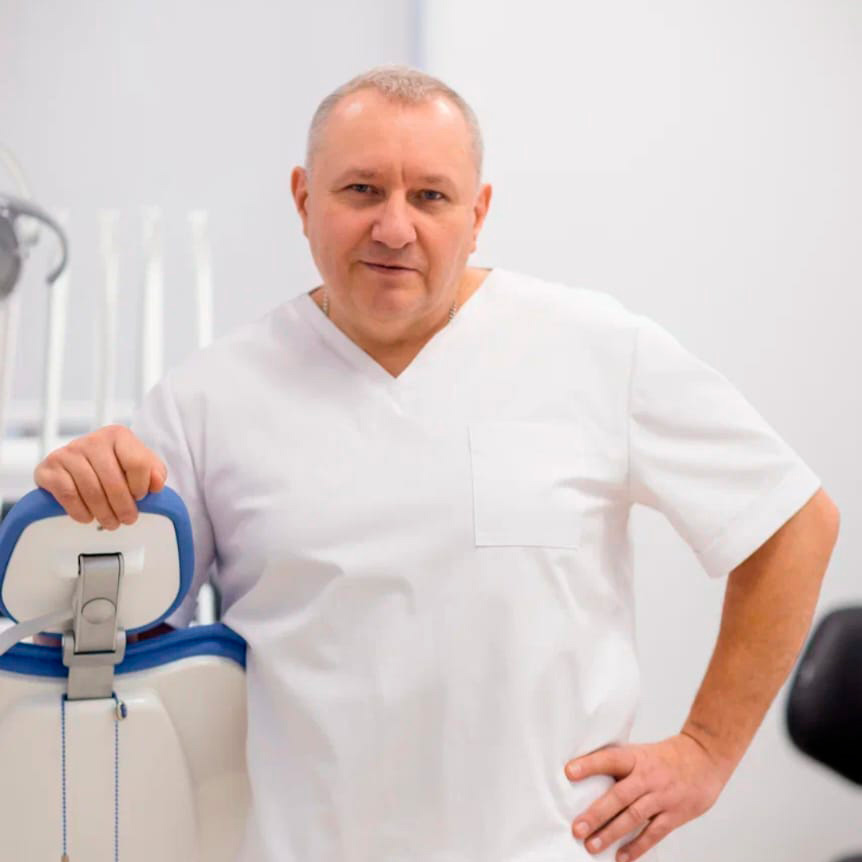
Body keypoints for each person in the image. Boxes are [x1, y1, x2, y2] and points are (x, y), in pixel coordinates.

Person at [32, 65, 840, 862]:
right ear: (303, 199)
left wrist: (704, 751)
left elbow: (793, 520)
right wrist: (88, 496)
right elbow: (116, 645)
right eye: (361, 190)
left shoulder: (594, 350)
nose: (394, 227)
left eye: (430, 196)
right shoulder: (209, 398)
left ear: (477, 213)